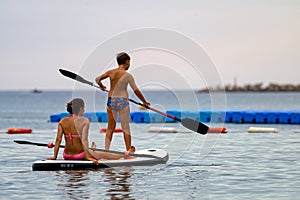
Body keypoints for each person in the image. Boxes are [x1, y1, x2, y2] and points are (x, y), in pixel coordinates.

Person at [95, 52, 150, 151]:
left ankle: (106, 150)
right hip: (122, 101)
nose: (130, 64)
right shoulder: (128, 75)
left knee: (110, 127)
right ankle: (128, 150)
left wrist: (101, 86)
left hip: (111, 100)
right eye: (129, 62)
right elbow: (136, 90)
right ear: (127, 62)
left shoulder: (110, 72)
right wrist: (144, 102)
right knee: (125, 127)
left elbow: (97, 79)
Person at [47, 98, 124, 164]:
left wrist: (54, 156)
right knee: (105, 154)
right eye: (83, 109)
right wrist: (88, 157)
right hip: (80, 155)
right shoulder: (84, 121)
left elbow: (58, 140)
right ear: (80, 109)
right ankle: (125, 155)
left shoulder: (62, 121)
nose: (84, 111)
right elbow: (84, 140)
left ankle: (93, 148)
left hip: (66, 155)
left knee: (92, 151)